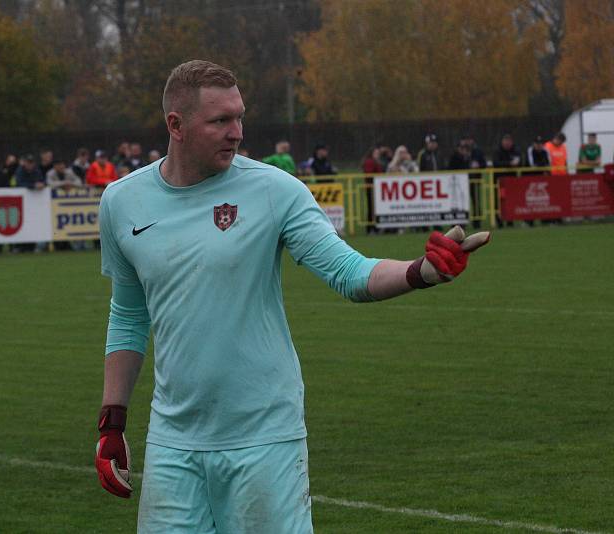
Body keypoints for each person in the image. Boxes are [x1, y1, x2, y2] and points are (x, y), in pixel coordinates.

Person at [94, 60, 491, 533]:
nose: (236, 132)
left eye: (240, 117)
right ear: (175, 125)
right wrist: (112, 421)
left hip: (265, 438)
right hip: (172, 443)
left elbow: (349, 272)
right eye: (220, 120)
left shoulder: (274, 190)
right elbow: (129, 315)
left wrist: (419, 272)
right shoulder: (121, 201)